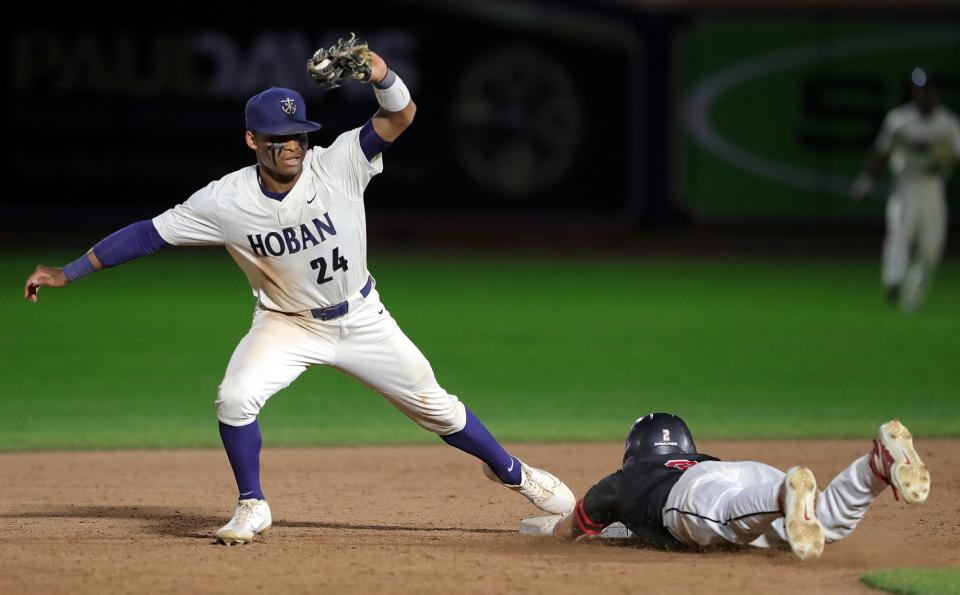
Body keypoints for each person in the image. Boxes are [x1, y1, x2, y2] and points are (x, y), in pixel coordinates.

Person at [22, 39, 574, 545]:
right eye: (279, 138)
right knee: (234, 398)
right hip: (285, 324)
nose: (292, 146)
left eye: (298, 134)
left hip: (362, 318)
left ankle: (516, 474)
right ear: (252, 140)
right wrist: (68, 272)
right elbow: (148, 233)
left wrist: (382, 74)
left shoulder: (337, 163)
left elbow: (400, 114)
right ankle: (252, 503)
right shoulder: (225, 200)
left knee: (442, 412)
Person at [520, 413, 930, 561]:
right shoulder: (703, 458)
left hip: (697, 495)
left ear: (634, 451)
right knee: (823, 527)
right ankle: (874, 468)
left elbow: (572, 527)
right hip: (744, 472)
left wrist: (550, 532)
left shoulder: (625, 480)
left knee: (721, 520)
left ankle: (786, 495)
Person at [851, 67, 960, 312]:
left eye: (929, 90)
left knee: (932, 247)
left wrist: (940, 152)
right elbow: (881, 152)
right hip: (906, 183)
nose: (924, 95)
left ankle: (914, 296)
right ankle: (893, 280)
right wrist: (865, 181)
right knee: (900, 232)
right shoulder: (899, 120)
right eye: (920, 90)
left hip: (933, 185)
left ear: (936, 92)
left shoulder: (948, 123)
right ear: (913, 92)